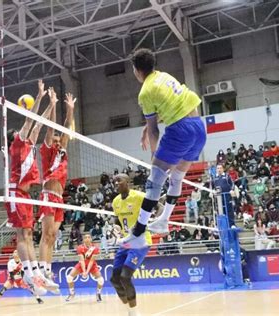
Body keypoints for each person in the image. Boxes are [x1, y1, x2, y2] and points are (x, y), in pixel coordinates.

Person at [120, 48, 206, 248]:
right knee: (176, 178)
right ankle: (164, 220)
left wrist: (153, 156)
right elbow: (170, 107)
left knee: (155, 179)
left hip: (180, 130)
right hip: (199, 128)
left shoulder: (145, 92)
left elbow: (154, 132)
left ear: (136, 70)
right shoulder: (164, 76)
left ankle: (138, 232)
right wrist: (145, 128)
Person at [5, 80, 58, 295]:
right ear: (13, 139)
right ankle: (29, 274)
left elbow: (39, 122)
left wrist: (51, 104)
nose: (24, 132)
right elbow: (29, 120)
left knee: (28, 234)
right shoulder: (17, 144)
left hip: (26, 195)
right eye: (19, 132)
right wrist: (38, 96)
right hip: (15, 193)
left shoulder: (28, 143)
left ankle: (37, 275)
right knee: (22, 234)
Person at [38, 90, 75, 288]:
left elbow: (67, 128)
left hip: (60, 199)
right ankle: (42, 271)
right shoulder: (46, 150)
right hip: (47, 196)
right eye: (56, 139)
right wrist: (52, 105)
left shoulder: (62, 150)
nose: (58, 140)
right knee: (46, 235)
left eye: (59, 139)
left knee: (53, 236)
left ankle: (48, 271)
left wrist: (70, 110)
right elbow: (50, 130)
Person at [111, 174, 153, 316]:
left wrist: (154, 221)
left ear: (127, 182)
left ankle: (134, 313)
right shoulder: (115, 201)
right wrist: (115, 228)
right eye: (114, 181)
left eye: (119, 180)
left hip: (141, 241)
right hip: (126, 241)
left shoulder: (139, 196)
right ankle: (129, 310)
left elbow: (158, 206)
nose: (116, 183)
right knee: (115, 279)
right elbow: (117, 220)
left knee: (125, 277)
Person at [65, 234, 104, 303]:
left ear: (91, 239)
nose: (87, 239)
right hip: (81, 265)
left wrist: (87, 271)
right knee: (69, 277)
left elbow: (92, 261)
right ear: (83, 240)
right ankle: (72, 293)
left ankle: (98, 293)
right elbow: (82, 260)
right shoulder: (80, 247)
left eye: (89, 237)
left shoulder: (95, 248)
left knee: (101, 280)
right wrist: (84, 271)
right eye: (85, 237)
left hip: (92, 266)